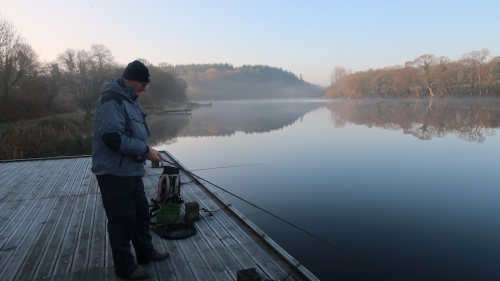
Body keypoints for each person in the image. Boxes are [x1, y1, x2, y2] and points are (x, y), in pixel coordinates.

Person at [92, 60, 169, 280]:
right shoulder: (112, 100)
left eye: (146, 85)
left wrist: (140, 163)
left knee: (141, 214)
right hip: (113, 174)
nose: (145, 89)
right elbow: (113, 138)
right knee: (122, 220)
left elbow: (134, 136)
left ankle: (145, 253)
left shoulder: (131, 101)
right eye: (142, 84)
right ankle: (125, 268)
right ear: (129, 79)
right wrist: (146, 152)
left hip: (130, 171)